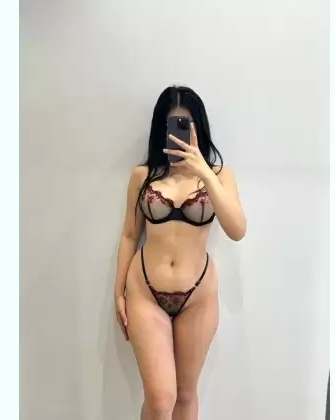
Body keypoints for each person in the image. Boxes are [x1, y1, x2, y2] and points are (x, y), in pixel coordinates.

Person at [114, 85, 247, 420]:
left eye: (185, 125)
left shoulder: (219, 176)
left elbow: (237, 229)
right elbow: (130, 234)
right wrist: (119, 292)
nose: (177, 135)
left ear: (198, 128)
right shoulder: (142, 175)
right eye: (170, 125)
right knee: (161, 400)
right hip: (145, 292)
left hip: (197, 296)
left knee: (186, 395)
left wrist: (203, 171)